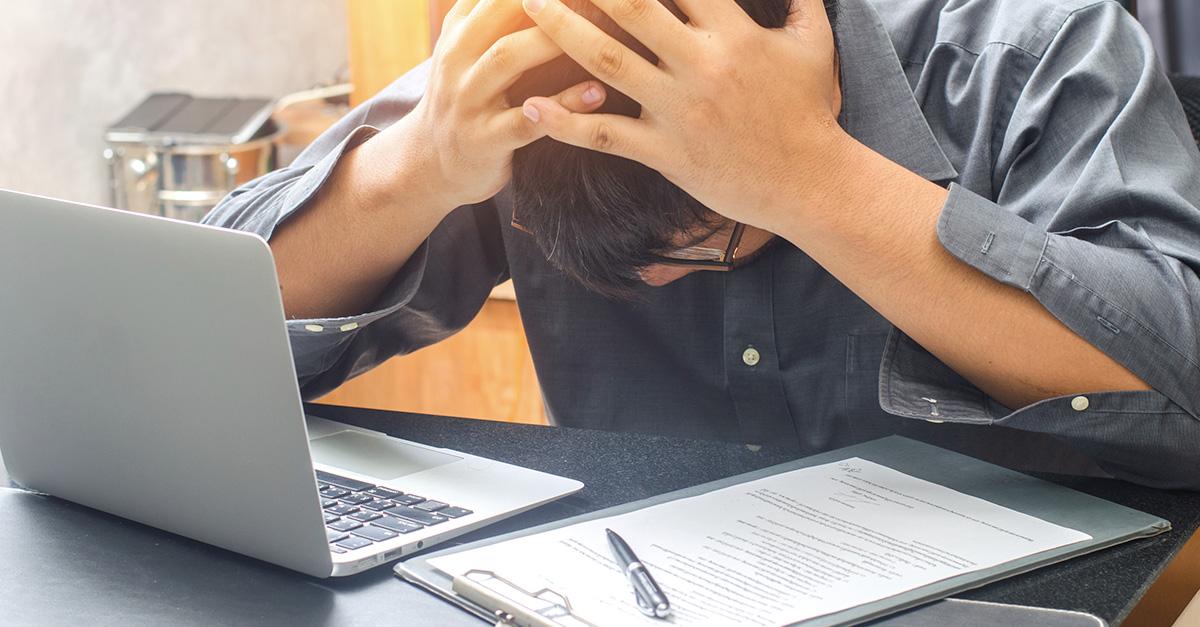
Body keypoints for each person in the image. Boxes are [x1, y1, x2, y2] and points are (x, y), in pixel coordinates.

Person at [204, 0, 1200, 489]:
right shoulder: (529, 62)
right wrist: (418, 166)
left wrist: (808, 177)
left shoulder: (1026, 47)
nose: (636, 281)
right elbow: (198, 331)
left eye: (695, 245)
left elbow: (1182, 383)